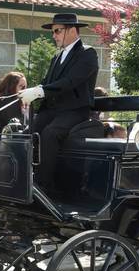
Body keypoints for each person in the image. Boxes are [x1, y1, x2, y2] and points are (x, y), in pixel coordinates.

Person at [19, 13, 99, 190]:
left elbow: (70, 82)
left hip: (75, 111)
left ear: (72, 30)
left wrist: (40, 91)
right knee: (25, 133)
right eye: (53, 32)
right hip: (54, 111)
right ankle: (21, 180)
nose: (53, 35)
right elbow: (48, 83)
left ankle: (44, 186)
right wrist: (31, 92)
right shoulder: (56, 58)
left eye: (57, 31)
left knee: (50, 133)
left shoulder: (87, 54)